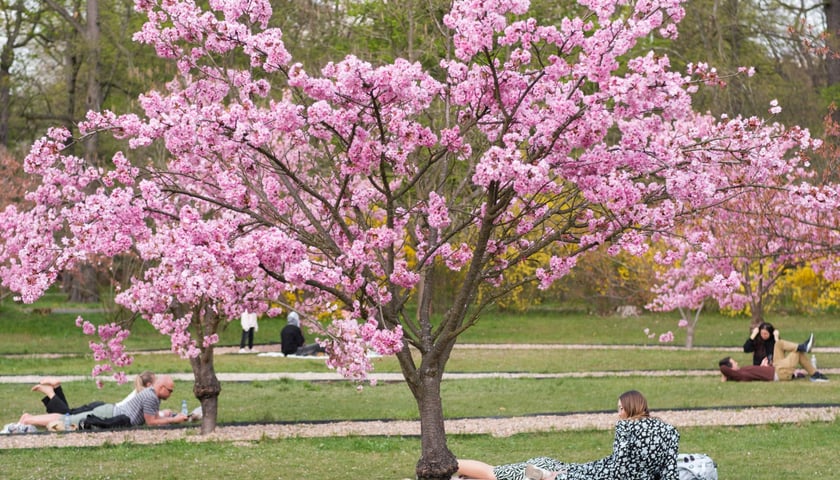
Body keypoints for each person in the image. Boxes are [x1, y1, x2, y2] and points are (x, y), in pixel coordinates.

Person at [454, 390, 680, 480]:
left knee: (506, 473)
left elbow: (617, 469)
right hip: (595, 472)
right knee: (536, 469)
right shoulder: (670, 431)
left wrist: (567, 476)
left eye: (620, 408)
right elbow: (670, 472)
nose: (618, 414)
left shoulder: (627, 427)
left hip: (596, 476)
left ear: (631, 407)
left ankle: (448, 465)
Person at [18, 374, 189, 430]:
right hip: (107, 413)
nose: (171, 394)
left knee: (67, 416)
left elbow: (150, 417)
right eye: (170, 390)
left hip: (109, 411)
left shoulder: (151, 395)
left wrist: (165, 415)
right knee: (66, 418)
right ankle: (28, 419)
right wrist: (174, 419)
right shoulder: (151, 396)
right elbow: (151, 422)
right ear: (159, 387)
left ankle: (52, 392)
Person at [720, 331, 828, 382]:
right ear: (730, 369)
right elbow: (723, 368)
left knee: (779, 344)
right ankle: (815, 374)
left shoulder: (740, 372)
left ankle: (803, 347)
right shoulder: (739, 375)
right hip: (778, 372)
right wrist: (724, 374)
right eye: (734, 363)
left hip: (775, 366)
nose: (737, 363)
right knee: (797, 353)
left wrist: (763, 367)